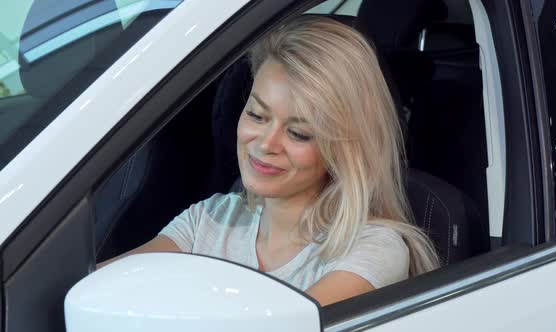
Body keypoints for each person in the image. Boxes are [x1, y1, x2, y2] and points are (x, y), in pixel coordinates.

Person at [98, 16, 439, 306]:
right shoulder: (210, 219)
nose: (265, 143)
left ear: (343, 148)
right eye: (258, 115)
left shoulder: (374, 248)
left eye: (299, 133)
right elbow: (95, 290)